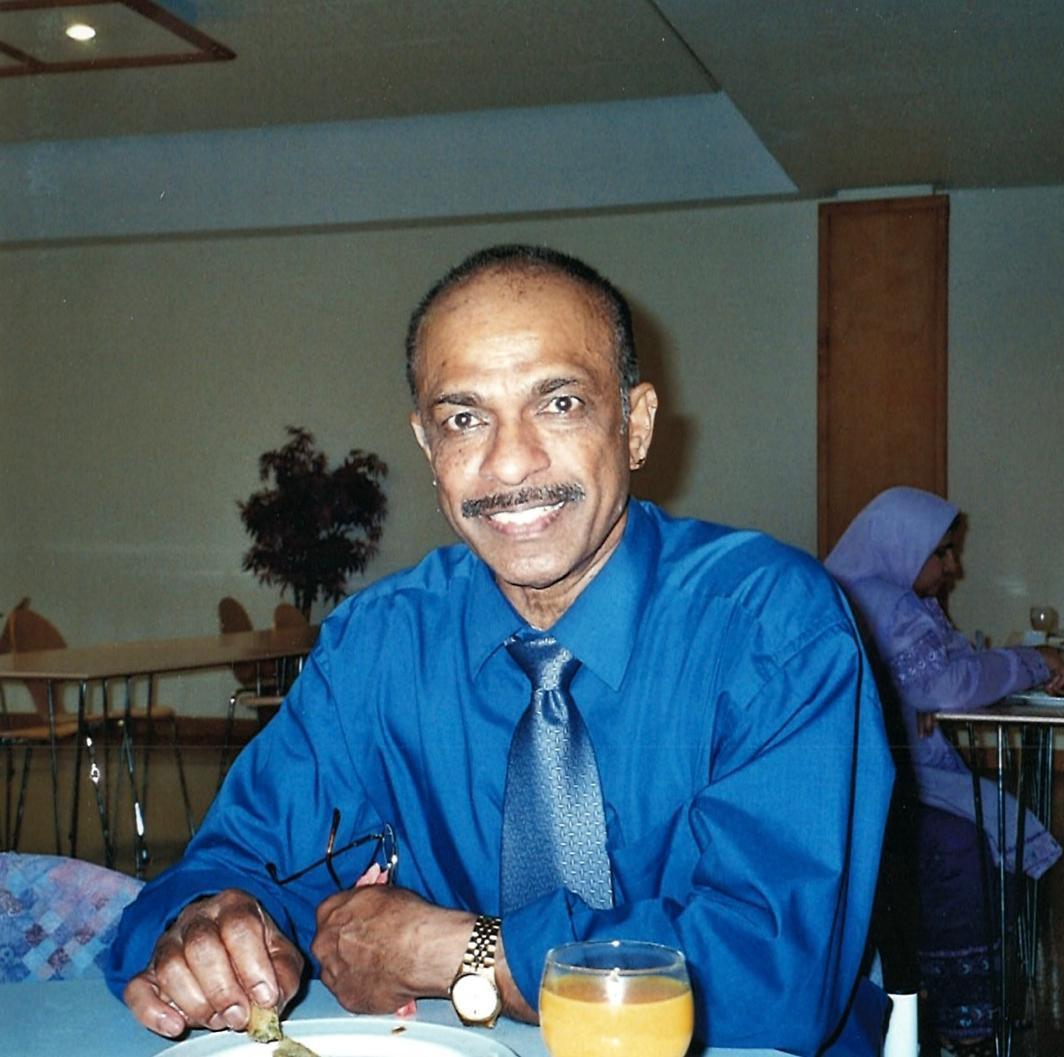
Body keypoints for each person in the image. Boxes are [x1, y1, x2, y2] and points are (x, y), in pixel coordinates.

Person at [108, 245, 895, 1056]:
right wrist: (208, 928)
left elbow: (773, 970)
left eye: (559, 403)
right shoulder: (378, 645)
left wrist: (463, 951)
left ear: (636, 425)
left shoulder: (773, 627)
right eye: (464, 418)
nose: (510, 462)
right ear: (427, 446)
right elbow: (235, 859)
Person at [824, 486, 1064, 1054]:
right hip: (879, 778)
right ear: (902, 547)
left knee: (986, 826)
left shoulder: (872, 592)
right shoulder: (887, 602)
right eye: (943, 553)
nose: (953, 567)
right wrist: (1032, 663)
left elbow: (946, 674)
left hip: (875, 771)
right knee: (969, 840)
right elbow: (946, 686)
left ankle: (967, 1009)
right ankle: (966, 1022)